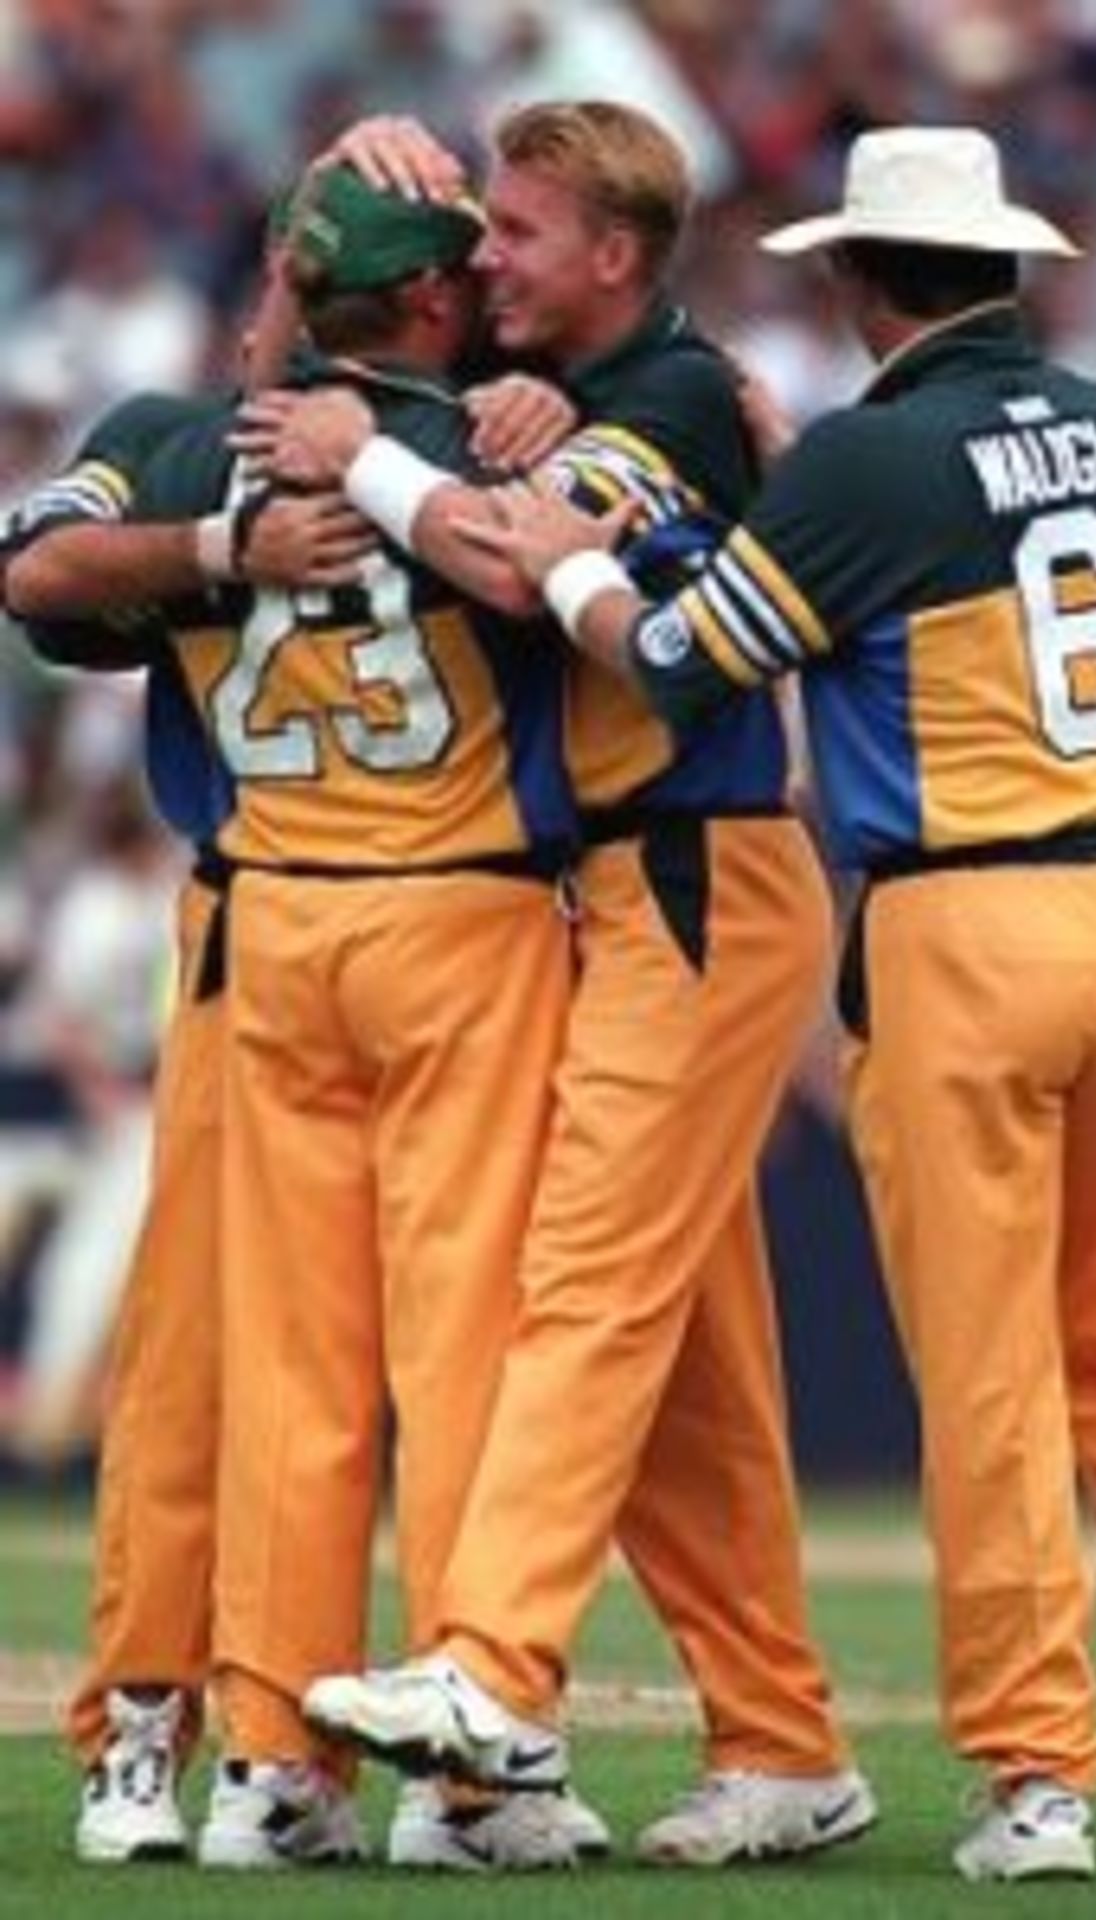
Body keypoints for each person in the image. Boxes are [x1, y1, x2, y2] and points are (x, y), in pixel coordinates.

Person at [434, 125, 1096, 1884]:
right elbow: (928, 543)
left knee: (991, 1379)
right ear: (1005, 266)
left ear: (858, 276)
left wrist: (567, 556)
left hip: (967, 927)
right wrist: (792, 471)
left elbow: (681, 660)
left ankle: (1041, 1781)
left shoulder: (864, 461)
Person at [255, 101, 874, 1868]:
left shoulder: (677, 397)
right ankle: (784, 1747)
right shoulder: (567, 385)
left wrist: (381, 451)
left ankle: (493, 1669)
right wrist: (349, 214)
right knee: (690, 1367)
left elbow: (523, 563)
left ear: (614, 253)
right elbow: (317, 388)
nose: (484, 258)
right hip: (621, 885)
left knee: (585, 1280)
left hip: (692, 872)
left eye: (517, 233)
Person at [6, 165, 603, 1874]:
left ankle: (270, 1760)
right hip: (462, 911)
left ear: (292, 276)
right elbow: (573, 572)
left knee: (283, 1374)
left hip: (271, 918)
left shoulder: (178, 442)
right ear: (427, 299)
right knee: (463, 1357)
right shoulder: (481, 445)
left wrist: (215, 545)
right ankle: (466, 1777)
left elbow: (32, 567)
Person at [1, 382, 370, 1864]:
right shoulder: (175, 435)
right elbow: (33, 569)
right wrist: (224, 542)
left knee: (403, 1362)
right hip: (282, 911)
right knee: (197, 1354)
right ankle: (157, 1720)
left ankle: (368, 1748)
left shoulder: (466, 426)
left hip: (433, 921)